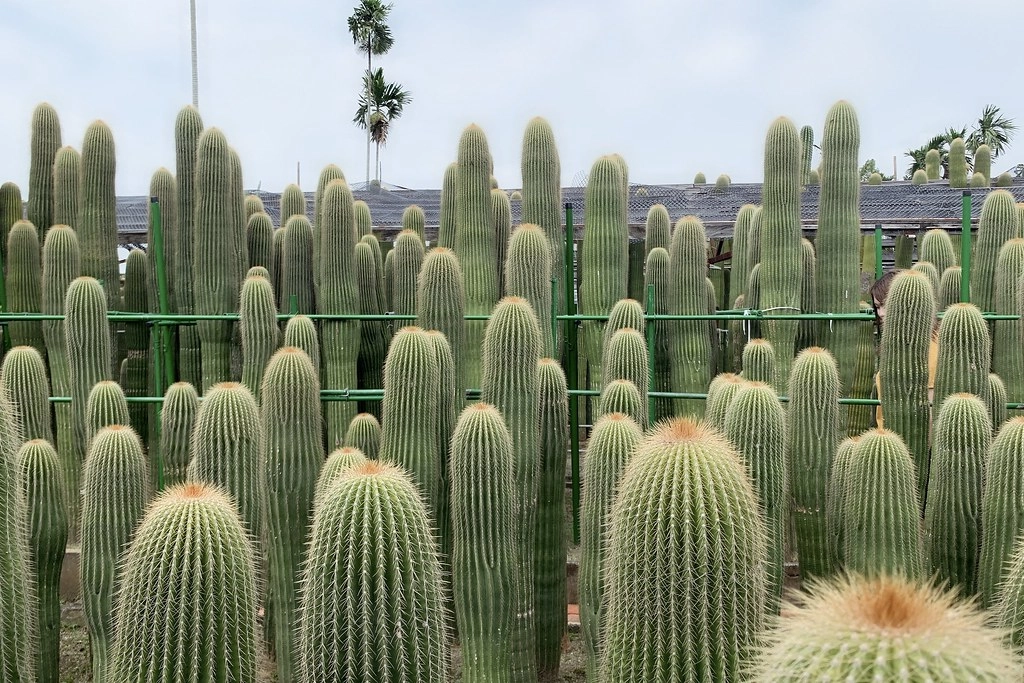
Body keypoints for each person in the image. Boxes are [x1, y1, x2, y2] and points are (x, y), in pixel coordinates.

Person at [871, 270, 939, 428]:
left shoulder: (930, 347)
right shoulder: (896, 347)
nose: (880, 313)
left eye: (885, 305)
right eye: (877, 307)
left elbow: (930, 411)